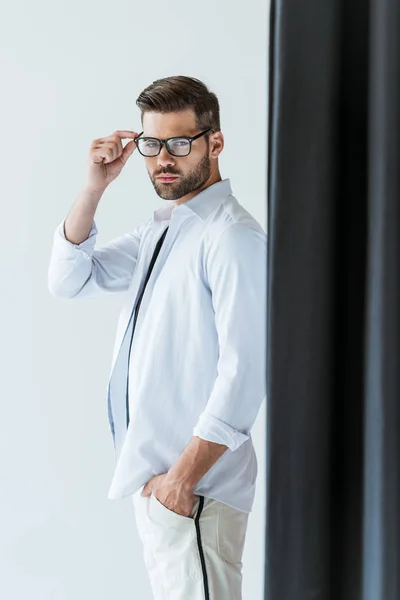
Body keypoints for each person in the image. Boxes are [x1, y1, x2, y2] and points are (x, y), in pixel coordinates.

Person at [48, 75, 267, 600]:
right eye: (151, 144)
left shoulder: (231, 236)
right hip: (165, 493)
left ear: (214, 142)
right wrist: (94, 187)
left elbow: (246, 373)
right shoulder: (167, 228)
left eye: (178, 142)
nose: (162, 159)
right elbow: (70, 279)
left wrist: (181, 480)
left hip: (195, 493)